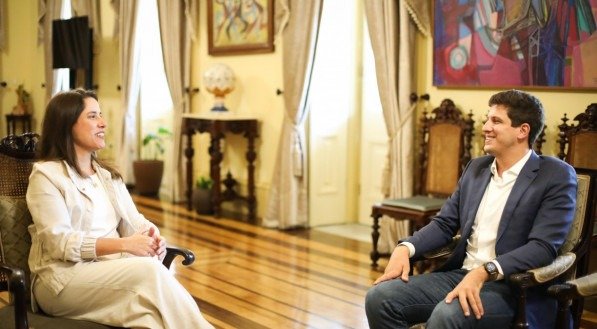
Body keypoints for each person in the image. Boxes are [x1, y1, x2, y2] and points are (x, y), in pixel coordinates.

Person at [365, 89, 577, 329]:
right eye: (487, 119)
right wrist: (405, 248)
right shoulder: (476, 168)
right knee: (379, 298)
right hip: (462, 274)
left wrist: (485, 271)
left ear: (522, 130)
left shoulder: (555, 175)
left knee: (447, 315)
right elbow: (445, 223)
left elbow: (543, 247)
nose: (485, 127)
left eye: (496, 121)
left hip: (515, 289)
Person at [26, 89, 214, 329]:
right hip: (61, 281)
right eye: (93, 116)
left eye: (101, 115)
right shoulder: (46, 176)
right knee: (149, 271)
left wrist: (152, 235)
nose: (103, 123)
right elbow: (59, 242)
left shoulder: (107, 175)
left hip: (109, 271)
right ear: (67, 123)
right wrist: (124, 244)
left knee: (150, 319)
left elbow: (135, 221)